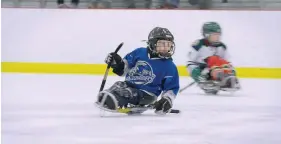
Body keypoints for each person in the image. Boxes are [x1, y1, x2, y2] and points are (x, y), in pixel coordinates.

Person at [96, 27, 180, 114]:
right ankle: (107, 97)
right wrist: (117, 63)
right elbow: (124, 69)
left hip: (147, 94)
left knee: (128, 93)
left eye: (168, 45)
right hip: (129, 85)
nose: (165, 48)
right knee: (118, 84)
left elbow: (171, 88)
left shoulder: (170, 66)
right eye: (162, 44)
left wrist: (167, 100)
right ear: (152, 43)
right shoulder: (139, 52)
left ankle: (113, 101)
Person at [186, 21, 240, 94]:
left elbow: (226, 61)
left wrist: (232, 71)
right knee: (213, 59)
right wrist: (197, 74)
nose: (217, 37)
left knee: (223, 63)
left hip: (215, 67)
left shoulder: (222, 46)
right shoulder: (198, 45)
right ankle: (210, 80)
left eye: (218, 35)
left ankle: (228, 79)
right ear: (207, 35)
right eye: (214, 35)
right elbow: (190, 62)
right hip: (202, 69)